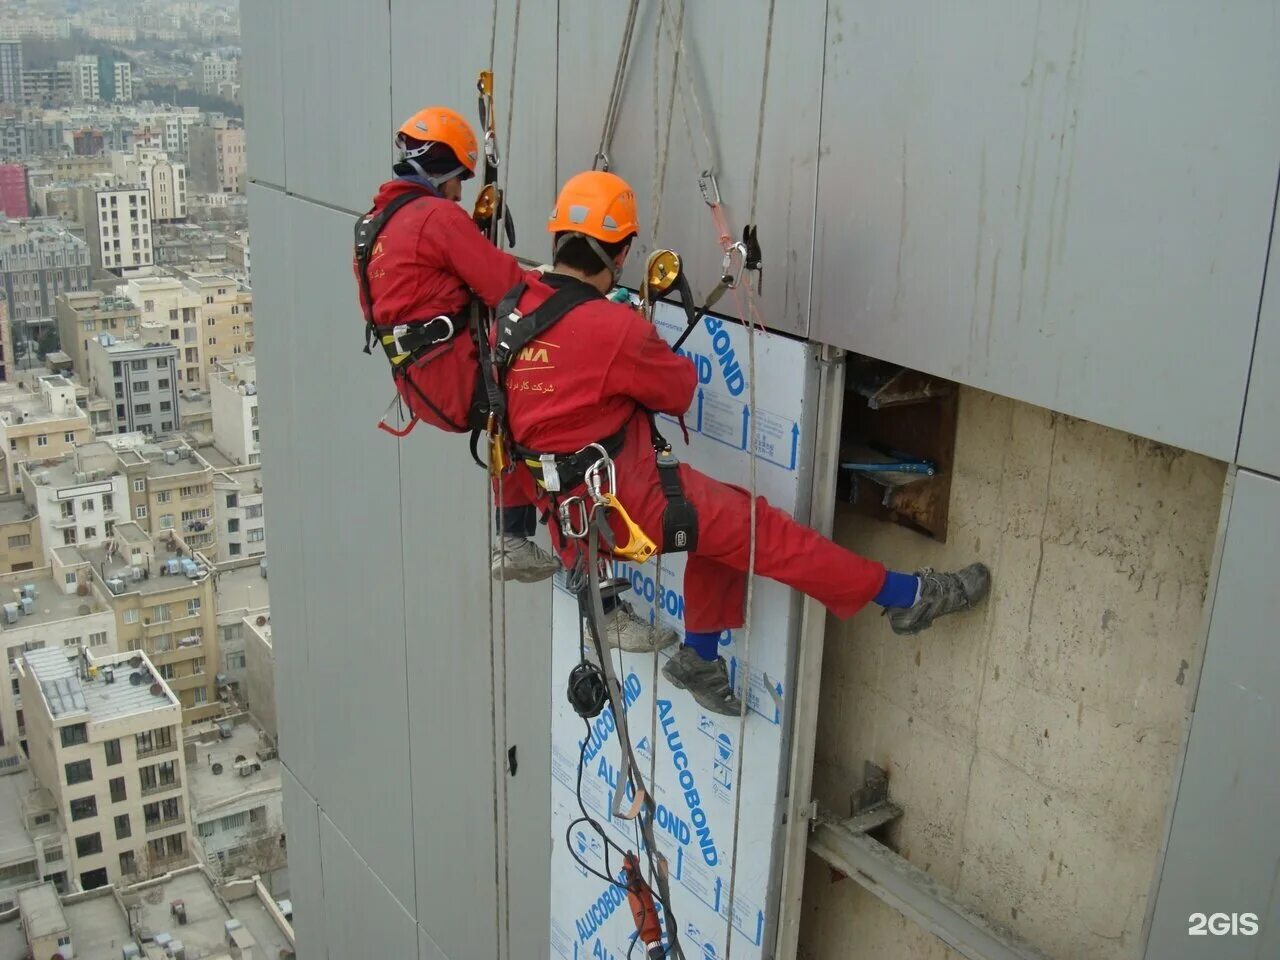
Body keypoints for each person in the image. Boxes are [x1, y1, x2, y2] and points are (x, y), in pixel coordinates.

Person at [496, 171, 992, 715]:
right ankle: (908, 597)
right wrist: (637, 337)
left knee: (721, 522)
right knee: (767, 534)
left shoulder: (513, 318)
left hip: (573, 516)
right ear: (620, 251)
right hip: (634, 506)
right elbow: (678, 390)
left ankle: (701, 655)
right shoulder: (611, 328)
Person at [353, 105, 557, 584]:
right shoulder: (436, 218)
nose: (460, 192)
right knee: (543, 389)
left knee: (505, 414)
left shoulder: (370, 228)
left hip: (418, 382)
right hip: (455, 374)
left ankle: (513, 534)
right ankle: (588, 569)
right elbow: (505, 286)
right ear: (442, 167)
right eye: (458, 180)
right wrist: (573, 297)